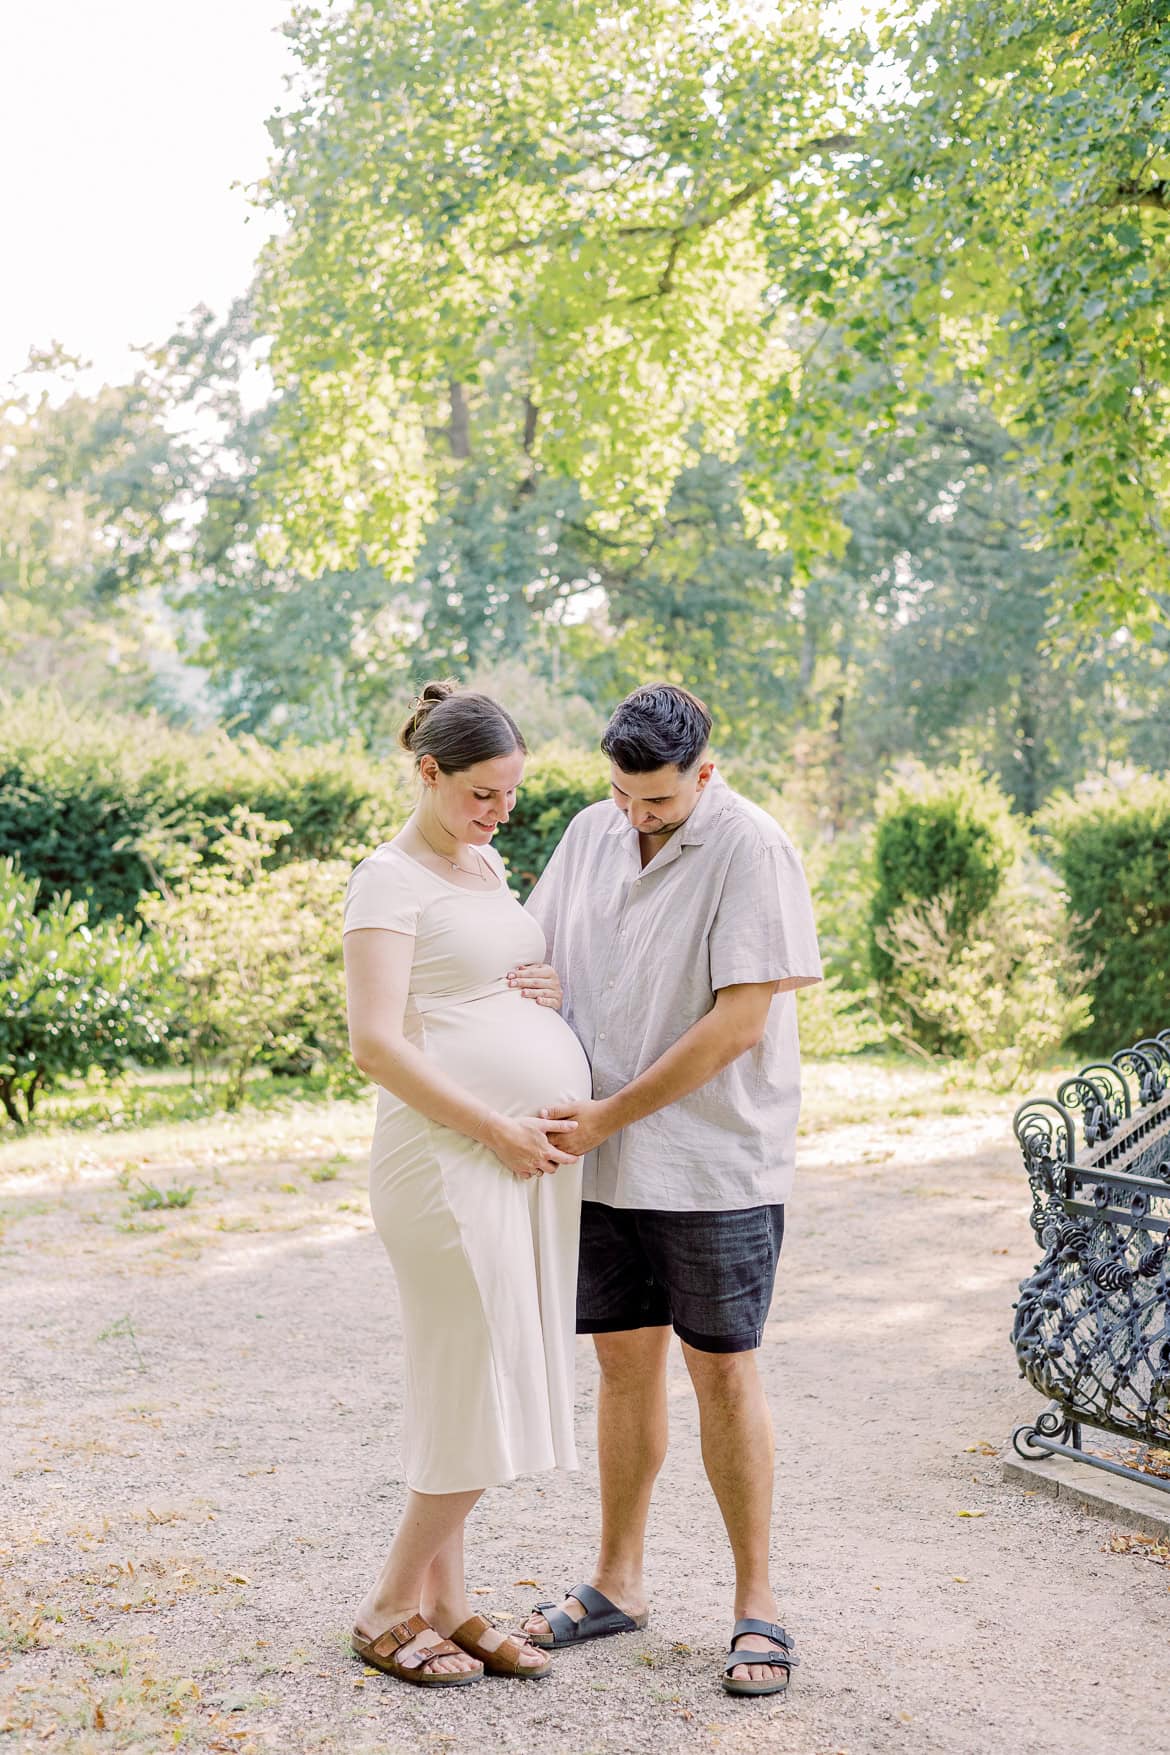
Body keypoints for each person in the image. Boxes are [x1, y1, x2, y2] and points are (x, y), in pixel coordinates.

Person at [521, 683, 822, 1698]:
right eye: (623, 796)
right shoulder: (590, 830)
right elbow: (538, 957)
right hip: (599, 1164)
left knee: (724, 1375)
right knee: (620, 1370)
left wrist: (610, 1111)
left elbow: (740, 1022)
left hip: (711, 1163)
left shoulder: (752, 847)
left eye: (657, 802)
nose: (636, 817)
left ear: (705, 771)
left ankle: (759, 1604)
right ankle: (617, 1581)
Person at [341, 681, 590, 1688]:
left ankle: (448, 1601)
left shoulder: (484, 866)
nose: (501, 813)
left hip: (507, 1159)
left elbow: (480, 982)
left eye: (513, 794)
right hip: (445, 1161)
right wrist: (495, 1123)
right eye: (483, 794)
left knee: (461, 1380)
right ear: (428, 772)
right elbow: (375, 1041)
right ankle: (390, 1602)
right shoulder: (386, 880)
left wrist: (543, 989)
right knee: (482, 1375)